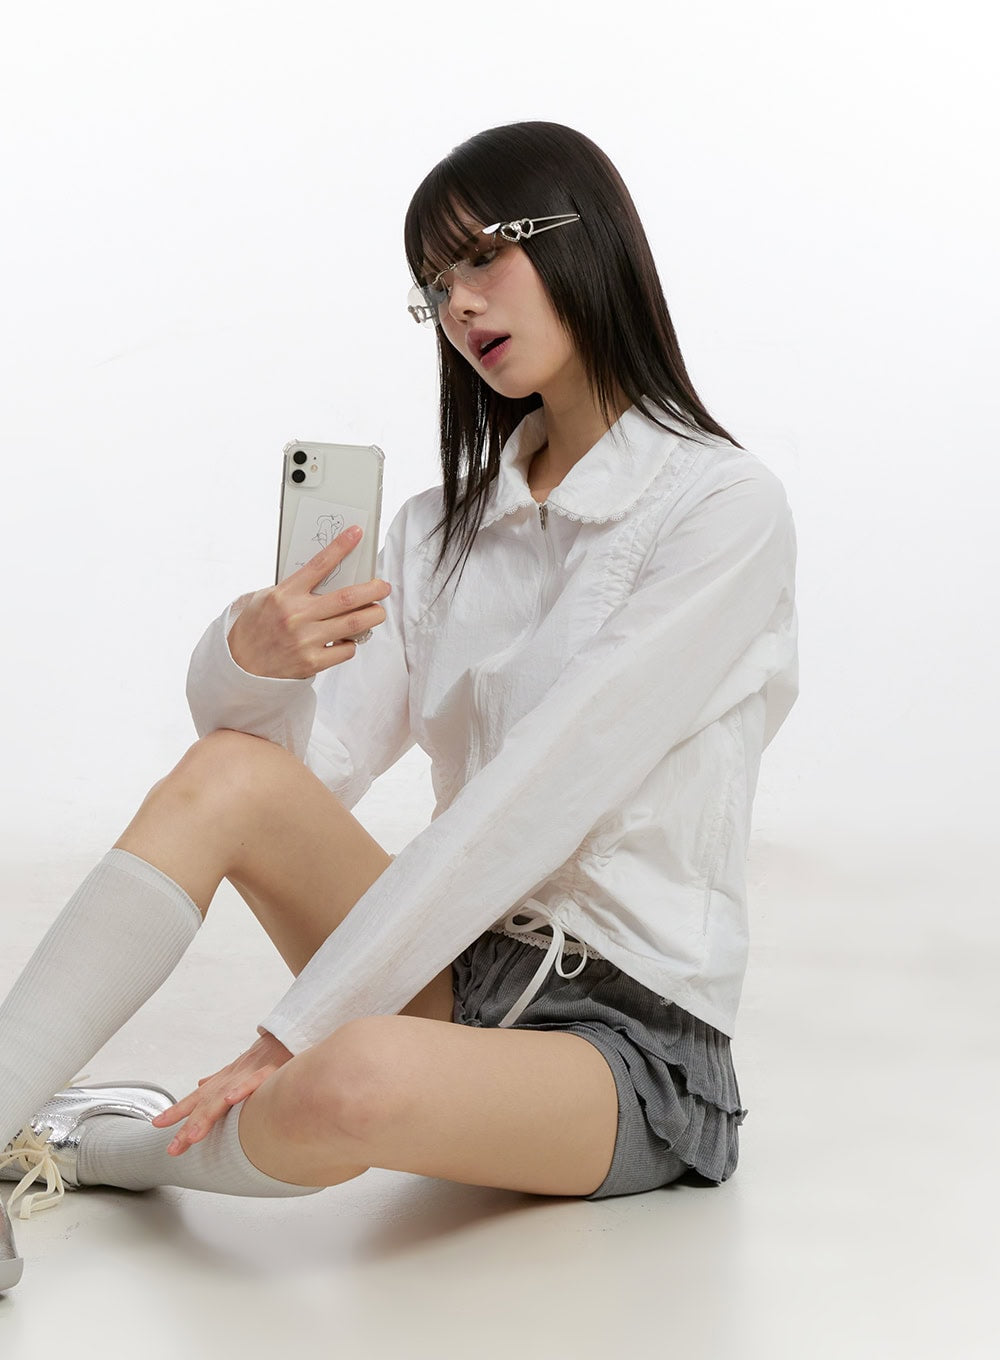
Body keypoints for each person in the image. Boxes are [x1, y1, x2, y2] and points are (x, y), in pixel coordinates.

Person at [0, 120, 798, 1292]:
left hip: (629, 1042)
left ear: (585, 240)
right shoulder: (436, 533)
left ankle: (89, 1146)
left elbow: (539, 789)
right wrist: (253, 660)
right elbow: (295, 777)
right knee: (228, 772)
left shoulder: (723, 507)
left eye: (483, 256)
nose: (458, 304)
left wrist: (291, 1028)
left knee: (352, 1075)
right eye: (434, 284)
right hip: (461, 966)